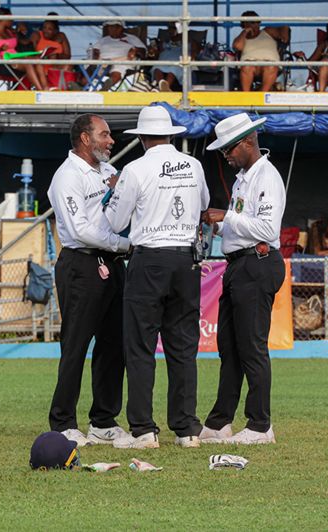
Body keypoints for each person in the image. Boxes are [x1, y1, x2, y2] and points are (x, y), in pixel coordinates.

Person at [104, 106, 209, 449]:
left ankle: (143, 430)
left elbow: (115, 222)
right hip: (185, 259)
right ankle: (187, 428)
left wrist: (114, 191)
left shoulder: (135, 169)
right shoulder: (194, 165)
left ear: (142, 138)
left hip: (149, 259)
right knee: (183, 347)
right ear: (170, 134)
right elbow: (204, 203)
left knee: (140, 347)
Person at [199, 112, 286, 445]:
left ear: (248, 141)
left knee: (251, 347)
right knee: (230, 348)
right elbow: (242, 225)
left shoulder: (267, 177)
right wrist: (220, 225)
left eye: (229, 149)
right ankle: (220, 421)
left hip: (257, 262)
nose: (226, 156)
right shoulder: (245, 178)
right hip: (239, 263)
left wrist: (227, 216)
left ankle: (261, 425)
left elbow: (267, 229)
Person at [46, 114, 132, 447]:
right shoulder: (67, 177)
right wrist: (126, 245)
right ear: (85, 138)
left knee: (115, 345)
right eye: (105, 135)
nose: (111, 141)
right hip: (80, 266)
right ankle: (63, 421)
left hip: (113, 264)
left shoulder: (110, 172)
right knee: (75, 345)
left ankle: (103, 421)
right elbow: (80, 229)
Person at [0, 7, 47, 90]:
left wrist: (19, 31)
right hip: (3, 64)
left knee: (38, 59)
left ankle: (46, 88)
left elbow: (25, 42)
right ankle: (40, 90)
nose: (12, 20)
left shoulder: (10, 32)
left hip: (16, 57)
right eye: (10, 18)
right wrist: (0, 49)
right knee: (28, 64)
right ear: (3, 18)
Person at [233, 11, 289, 92]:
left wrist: (284, 36)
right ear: (244, 24)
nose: (254, 24)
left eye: (256, 22)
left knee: (271, 67)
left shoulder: (267, 31)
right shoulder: (242, 38)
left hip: (269, 63)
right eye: (250, 22)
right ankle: (246, 95)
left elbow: (285, 28)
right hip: (250, 64)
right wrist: (245, 31)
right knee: (247, 67)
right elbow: (237, 46)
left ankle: (262, 94)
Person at [91, 20, 147, 88]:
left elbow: (143, 52)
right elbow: (95, 50)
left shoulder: (132, 38)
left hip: (122, 61)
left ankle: (105, 88)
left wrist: (135, 50)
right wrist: (95, 56)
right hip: (102, 62)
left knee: (117, 70)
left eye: (112, 27)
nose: (110, 29)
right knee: (89, 68)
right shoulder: (103, 40)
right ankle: (80, 87)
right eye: (109, 27)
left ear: (120, 28)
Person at [152, 22, 200, 92]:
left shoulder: (190, 42)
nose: (170, 31)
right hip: (164, 61)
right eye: (169, 29)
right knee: (157, 68)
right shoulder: (165, 42)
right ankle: (162, 86)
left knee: (173, 69)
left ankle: (164, 88)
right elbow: (157, 53)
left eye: (173, 28)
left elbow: (196, 51)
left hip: (177, 62)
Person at [32, 14, 76, 89]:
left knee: (68, 65)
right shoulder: (37, 35)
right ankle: (53, 87)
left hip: (56, 68)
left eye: (50, 29)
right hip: (41, 68)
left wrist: (57, 55)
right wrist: (44, 56)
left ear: (55, 31)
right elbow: (31, 53)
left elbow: (68, 56)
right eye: (44, 27)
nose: (46, 30)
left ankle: (63, 89)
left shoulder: (61, 36)